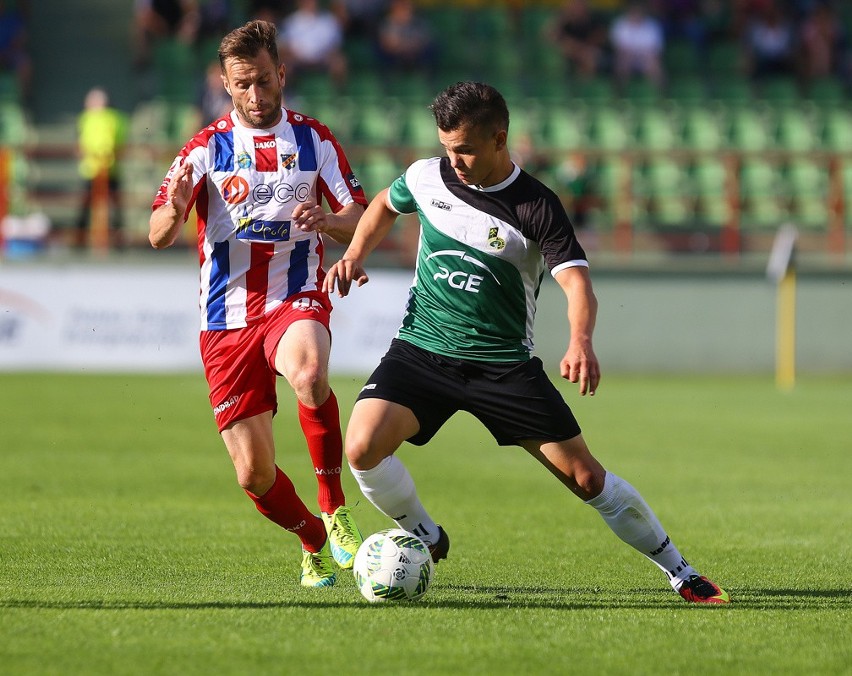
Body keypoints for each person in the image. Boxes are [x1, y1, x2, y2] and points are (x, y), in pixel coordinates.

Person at [323, 81, 730, 604]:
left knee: (586, 478)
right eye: (448, 147)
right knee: (361, 447)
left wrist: (580, 340)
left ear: (500, 138)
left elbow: (577, 283)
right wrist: (357, 251)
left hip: (503, 367)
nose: (456, 161)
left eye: (466, 149)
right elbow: (384, 203)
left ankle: (680, 570)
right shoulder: (427, 176)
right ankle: (424, 532)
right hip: (423, 350)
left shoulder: (537, 206)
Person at [148, 19, 367, 588]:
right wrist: (173, 210)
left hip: (294, 296)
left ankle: (334, 507)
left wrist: (329, 222)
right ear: (225, 83)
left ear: (282, 74)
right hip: (225, 319)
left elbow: (361, 219)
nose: (256, 94)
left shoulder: (315, 140)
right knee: (254, 474)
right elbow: (157, 233)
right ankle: (311, 539)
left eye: (265, 81)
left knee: (311, 372)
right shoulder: (203, 150)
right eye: (243, 84)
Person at [74, 87, 128, 250]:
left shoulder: (113, 119)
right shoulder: (86, 118)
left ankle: (116, 239)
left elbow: (117, 141)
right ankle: (80, 238)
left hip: (108, 168)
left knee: (115, 206)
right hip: (93, 168)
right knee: (86, 205)